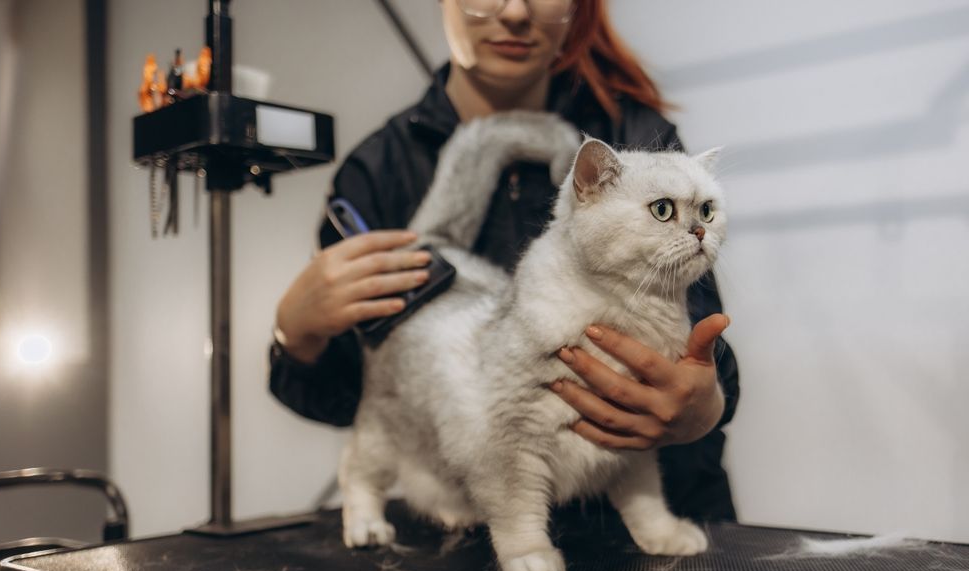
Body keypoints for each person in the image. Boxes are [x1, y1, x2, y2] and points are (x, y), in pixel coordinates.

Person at [270, 0, 740, 522]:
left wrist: (706, 406)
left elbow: (702, 336)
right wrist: (296, 335)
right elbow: (358, 396)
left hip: (664, 527)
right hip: (466, 539)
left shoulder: (639, 139)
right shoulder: (378, 171)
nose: (516, 11)